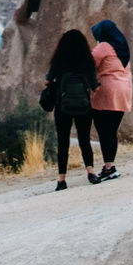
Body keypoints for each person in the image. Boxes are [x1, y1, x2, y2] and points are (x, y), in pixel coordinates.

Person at [43, 29, 97, 189]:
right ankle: (91, 172)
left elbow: (48, 80)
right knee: (84, 140)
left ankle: (62, 179)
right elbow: (94, 86)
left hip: (62, 106)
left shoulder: (59, 60)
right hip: (84, 106)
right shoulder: (88, 61)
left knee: (63, 142)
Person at [88, 21, 133, 180]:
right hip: (123, 92)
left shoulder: (104, 47)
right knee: (112, 131)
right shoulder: (122, 46)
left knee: (104, 130)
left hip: (107, 92)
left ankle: (109, 168)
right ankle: (110, 166)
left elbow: (89, 63)